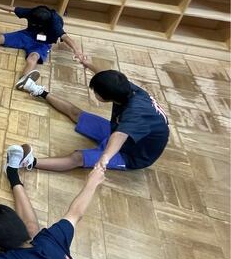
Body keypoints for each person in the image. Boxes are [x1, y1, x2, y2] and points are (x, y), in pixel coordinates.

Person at [17, 54, 169, 171]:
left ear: (104, 97)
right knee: (76, 113)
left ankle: (29, 162)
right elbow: (108, 77)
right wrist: (88, 64)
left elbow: (119, 137)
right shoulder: (126, 89)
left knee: (77, 158)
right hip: (119, 130)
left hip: (133, 154)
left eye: (95, 92)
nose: (93, 93)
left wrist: (104, 158)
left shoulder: (134, 115)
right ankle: (38, 90)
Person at [0, 1, 85, 90]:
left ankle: (24, 81)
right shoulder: (33, 12)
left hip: (43, 43)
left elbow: (66, 38)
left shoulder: (54, 23)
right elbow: (12, 8)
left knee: (32, 59)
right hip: (26, 35)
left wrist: (78, 51)